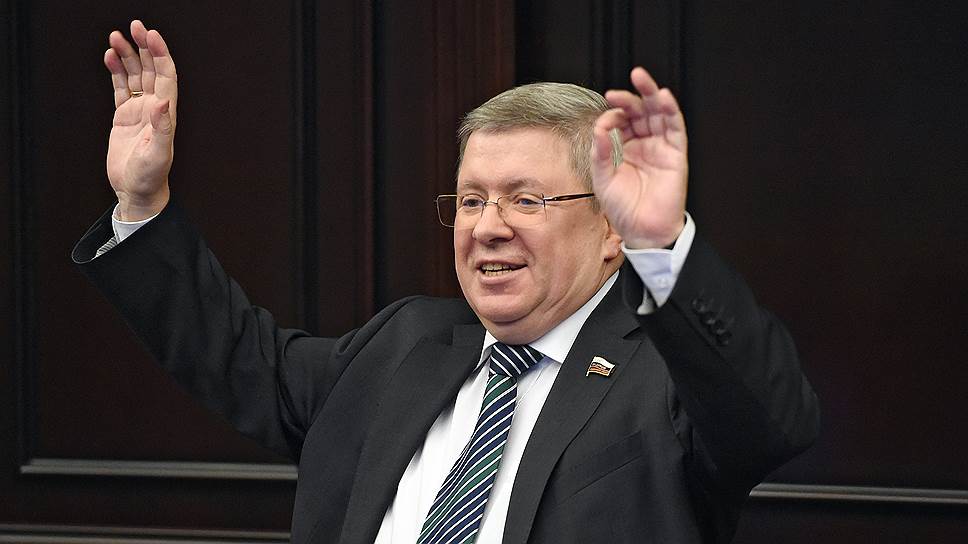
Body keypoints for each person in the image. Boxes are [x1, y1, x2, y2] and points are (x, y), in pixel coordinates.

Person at [74, 20, 819, 544]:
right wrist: (142, 204)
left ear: (610, 228)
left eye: (526, 200)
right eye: (470, 200)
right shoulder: (404, 344)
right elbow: (237, 356)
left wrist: (664, 244)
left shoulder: (666, 381)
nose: (487, 227)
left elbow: (771, 420)